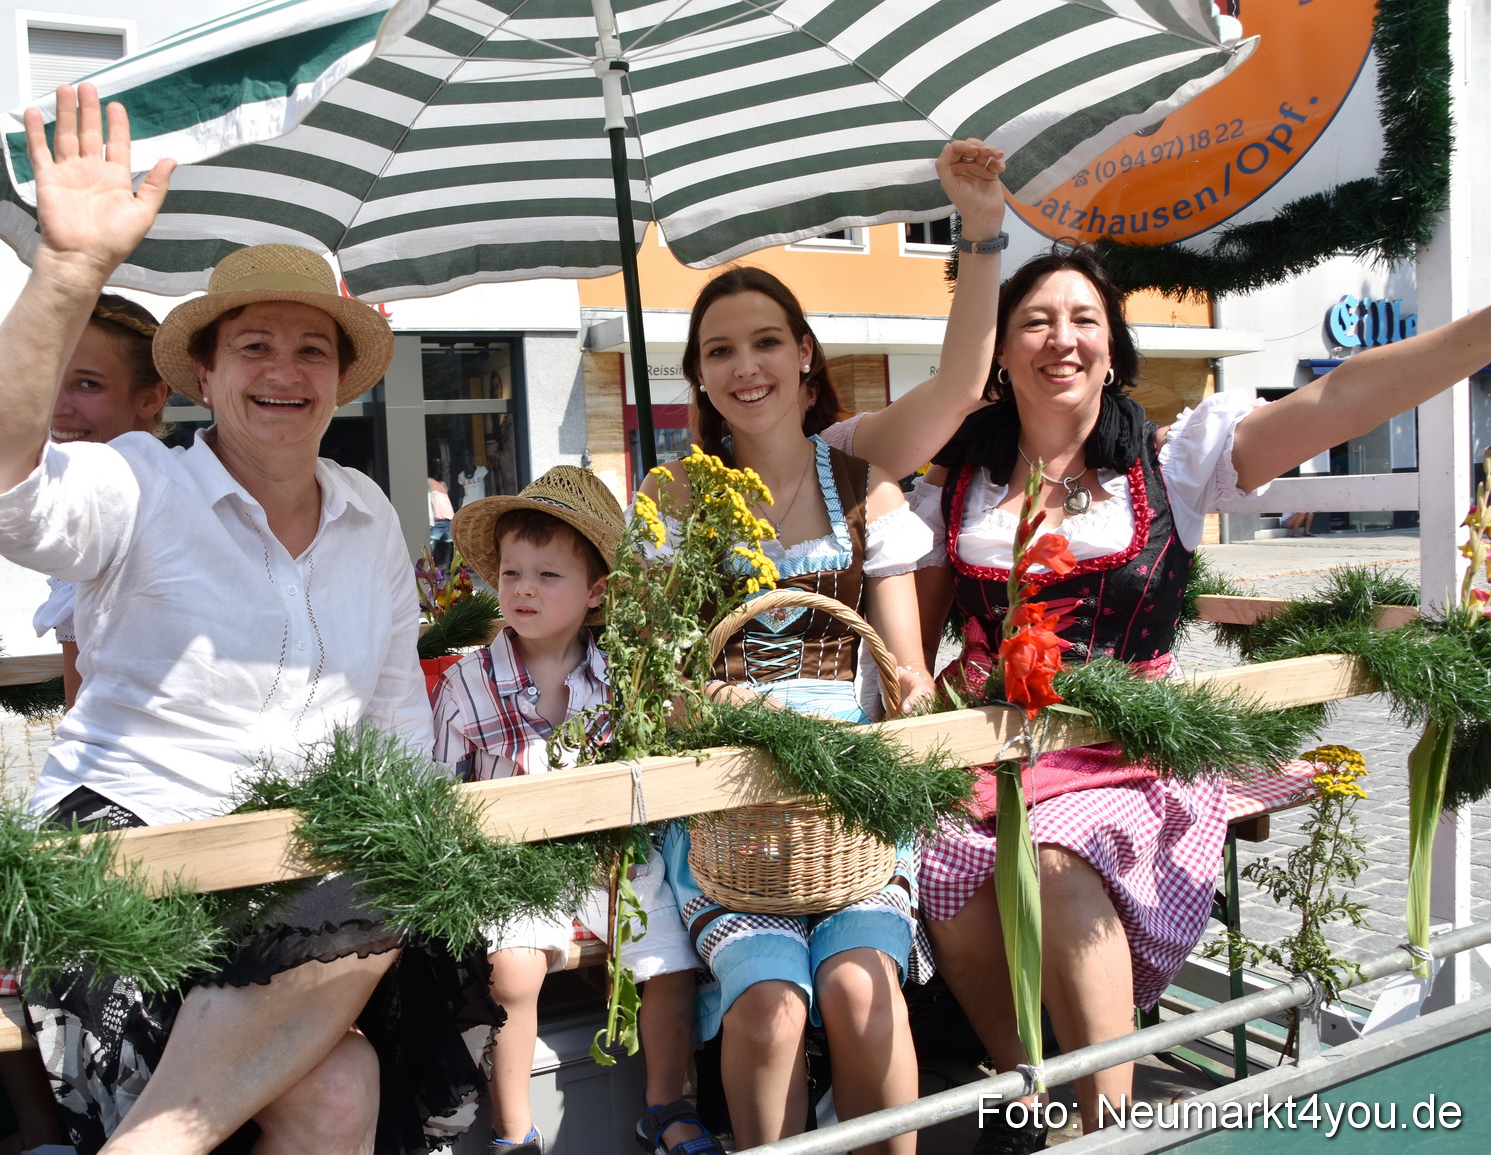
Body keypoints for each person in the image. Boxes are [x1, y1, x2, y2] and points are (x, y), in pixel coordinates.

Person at [834, 243, 1491, 1153]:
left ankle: (1109, 1121)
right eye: (1035, 320)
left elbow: (1334, 401)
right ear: (1000, 352)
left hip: (1129, 743)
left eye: (1083, 321)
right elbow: (910, 611)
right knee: (941, 866)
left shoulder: (1172, 462)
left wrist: (1482, 335)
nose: (1059, 339)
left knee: (1060, 859)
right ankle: (1028, 1083)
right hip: (990, 739)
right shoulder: (963, 480)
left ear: (1113, 350)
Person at [0, 84, 481, 1155]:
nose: (285, 373)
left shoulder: (369, 513)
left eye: (312, 352)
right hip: (126, 854)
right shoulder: (137, 484)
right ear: (203, 373)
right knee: (336, 1078)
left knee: (346, 1056)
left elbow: (388, 723)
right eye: (255, 349)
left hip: (301, 875)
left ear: (339, 382)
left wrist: (402, 840)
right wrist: (68, 270)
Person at [645, 139, 1010, 1155]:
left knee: (859, 990)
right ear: (699, 378)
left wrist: (976, 227)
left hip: (851, 814)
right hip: (728, 820)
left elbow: (960, 380)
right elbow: (654, 687)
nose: (744, 365)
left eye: (765, 341)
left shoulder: (863, 481)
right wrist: (699, 708)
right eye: (719, 350)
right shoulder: (673, 503)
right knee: (769, 1009)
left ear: (804, 355)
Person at [432, 466, 715, 1155]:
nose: (523, 588)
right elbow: (436, 786)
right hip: (513, 859)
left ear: (596, 592)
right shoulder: (470, 682)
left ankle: (665, 1106)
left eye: (547, 575)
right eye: (512, 572)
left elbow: (658, 757)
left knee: (670, 962)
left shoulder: (621, 674)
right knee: (512, 972)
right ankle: (514, 1130)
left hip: (608, 849)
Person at [30, 294, 170, 708]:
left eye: (87, 384)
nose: (58, 407)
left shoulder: (132, 505)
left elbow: (83, 699)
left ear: (150, 398)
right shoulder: (87, 497)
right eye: (51, 381)